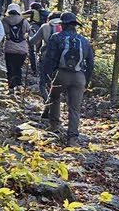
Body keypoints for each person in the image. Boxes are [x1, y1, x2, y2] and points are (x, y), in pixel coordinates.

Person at [38, 12, 94, 144]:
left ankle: (54, 126)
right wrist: (86, 80)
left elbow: (51, 59)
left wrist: (47, 76)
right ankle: (72, 138)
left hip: (61, 74)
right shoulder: (84, 41)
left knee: (54, 97)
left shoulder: (56, 37)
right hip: (79, 76)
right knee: (75, 108)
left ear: (62, 25)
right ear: (75, 25)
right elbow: (90, 63)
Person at [0, 3, 31, 96]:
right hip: (22, 48)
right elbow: (29, 31)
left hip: (9, 47)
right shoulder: (24, 20)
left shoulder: (4, 20)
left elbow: (2, 33)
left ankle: (11, 88)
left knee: (10, 68)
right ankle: (18, 87)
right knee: (18, 68)